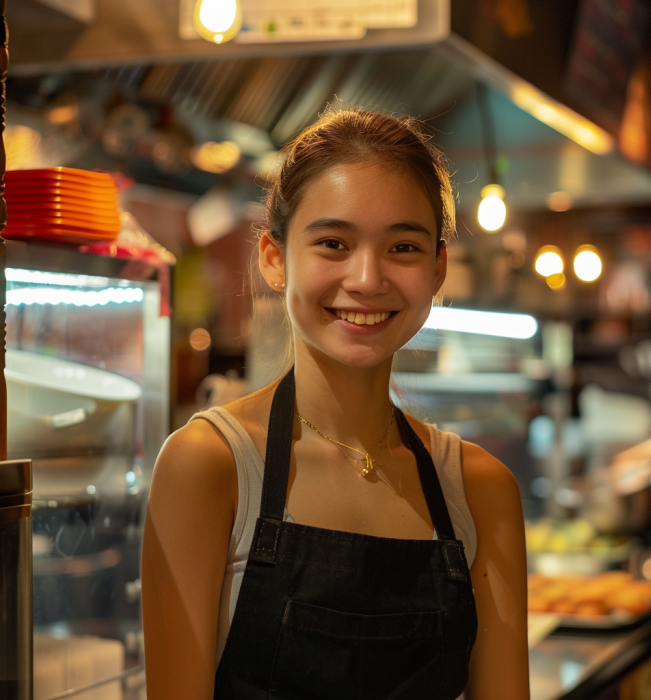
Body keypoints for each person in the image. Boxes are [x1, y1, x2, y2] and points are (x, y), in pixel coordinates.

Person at [142, 108, 529, 700]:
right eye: (333, 243)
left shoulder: (481, 490)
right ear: (275, 259)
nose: (368, 278)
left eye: (403, 246)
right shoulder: (210, 466)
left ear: (437, 269)